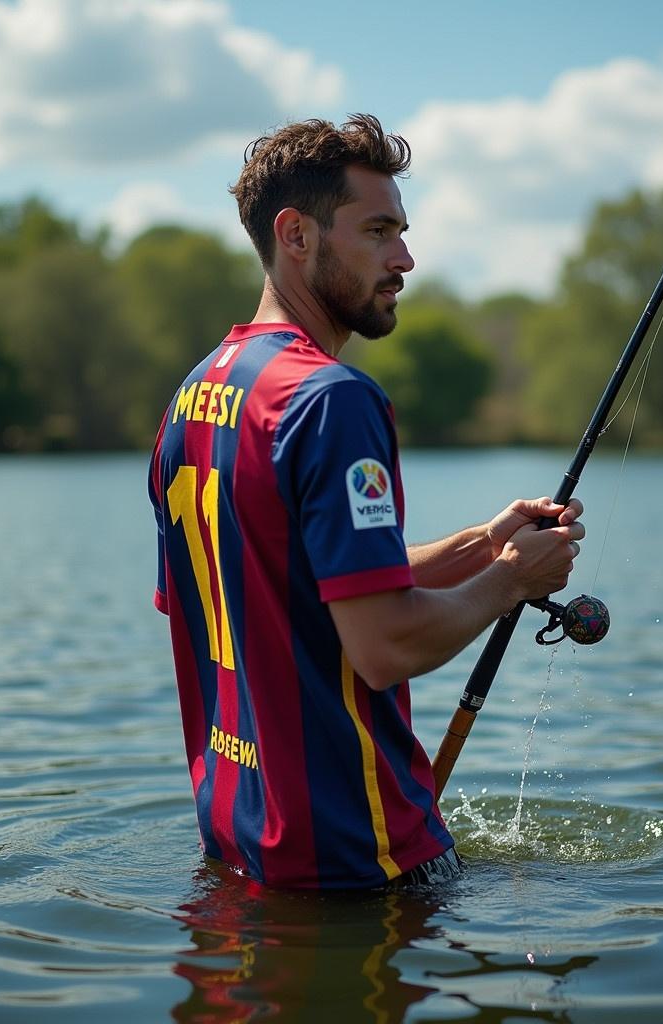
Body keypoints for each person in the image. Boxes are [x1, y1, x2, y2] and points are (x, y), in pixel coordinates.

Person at [148, 113, 585, 890]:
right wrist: (512, 580)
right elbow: (384, 647)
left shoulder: (199, 391)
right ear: (297, 235)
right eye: (378, 231)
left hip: (239, 855)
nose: (405, 258)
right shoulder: (332, 399)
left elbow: (300, 582)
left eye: (402, 232)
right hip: (358, 862)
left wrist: (484, 546)